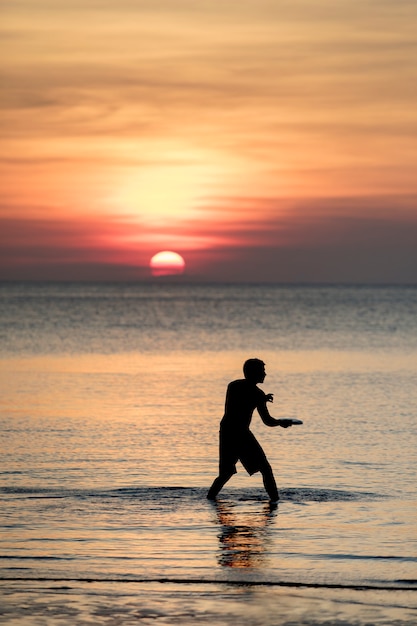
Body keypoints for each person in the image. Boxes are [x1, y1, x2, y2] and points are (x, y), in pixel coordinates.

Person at [207, 358, 292, 503]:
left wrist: (266, 405)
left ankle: (210, 499)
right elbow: (266, 420)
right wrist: (279, 422)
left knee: (226, 473)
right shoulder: (253, 393)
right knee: (265, 469)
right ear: (254, 372)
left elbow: (263, 417)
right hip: (239, 434)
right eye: (262, 371)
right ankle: (275, 502)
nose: (265, 374)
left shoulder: (237, 387)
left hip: (227, 432)